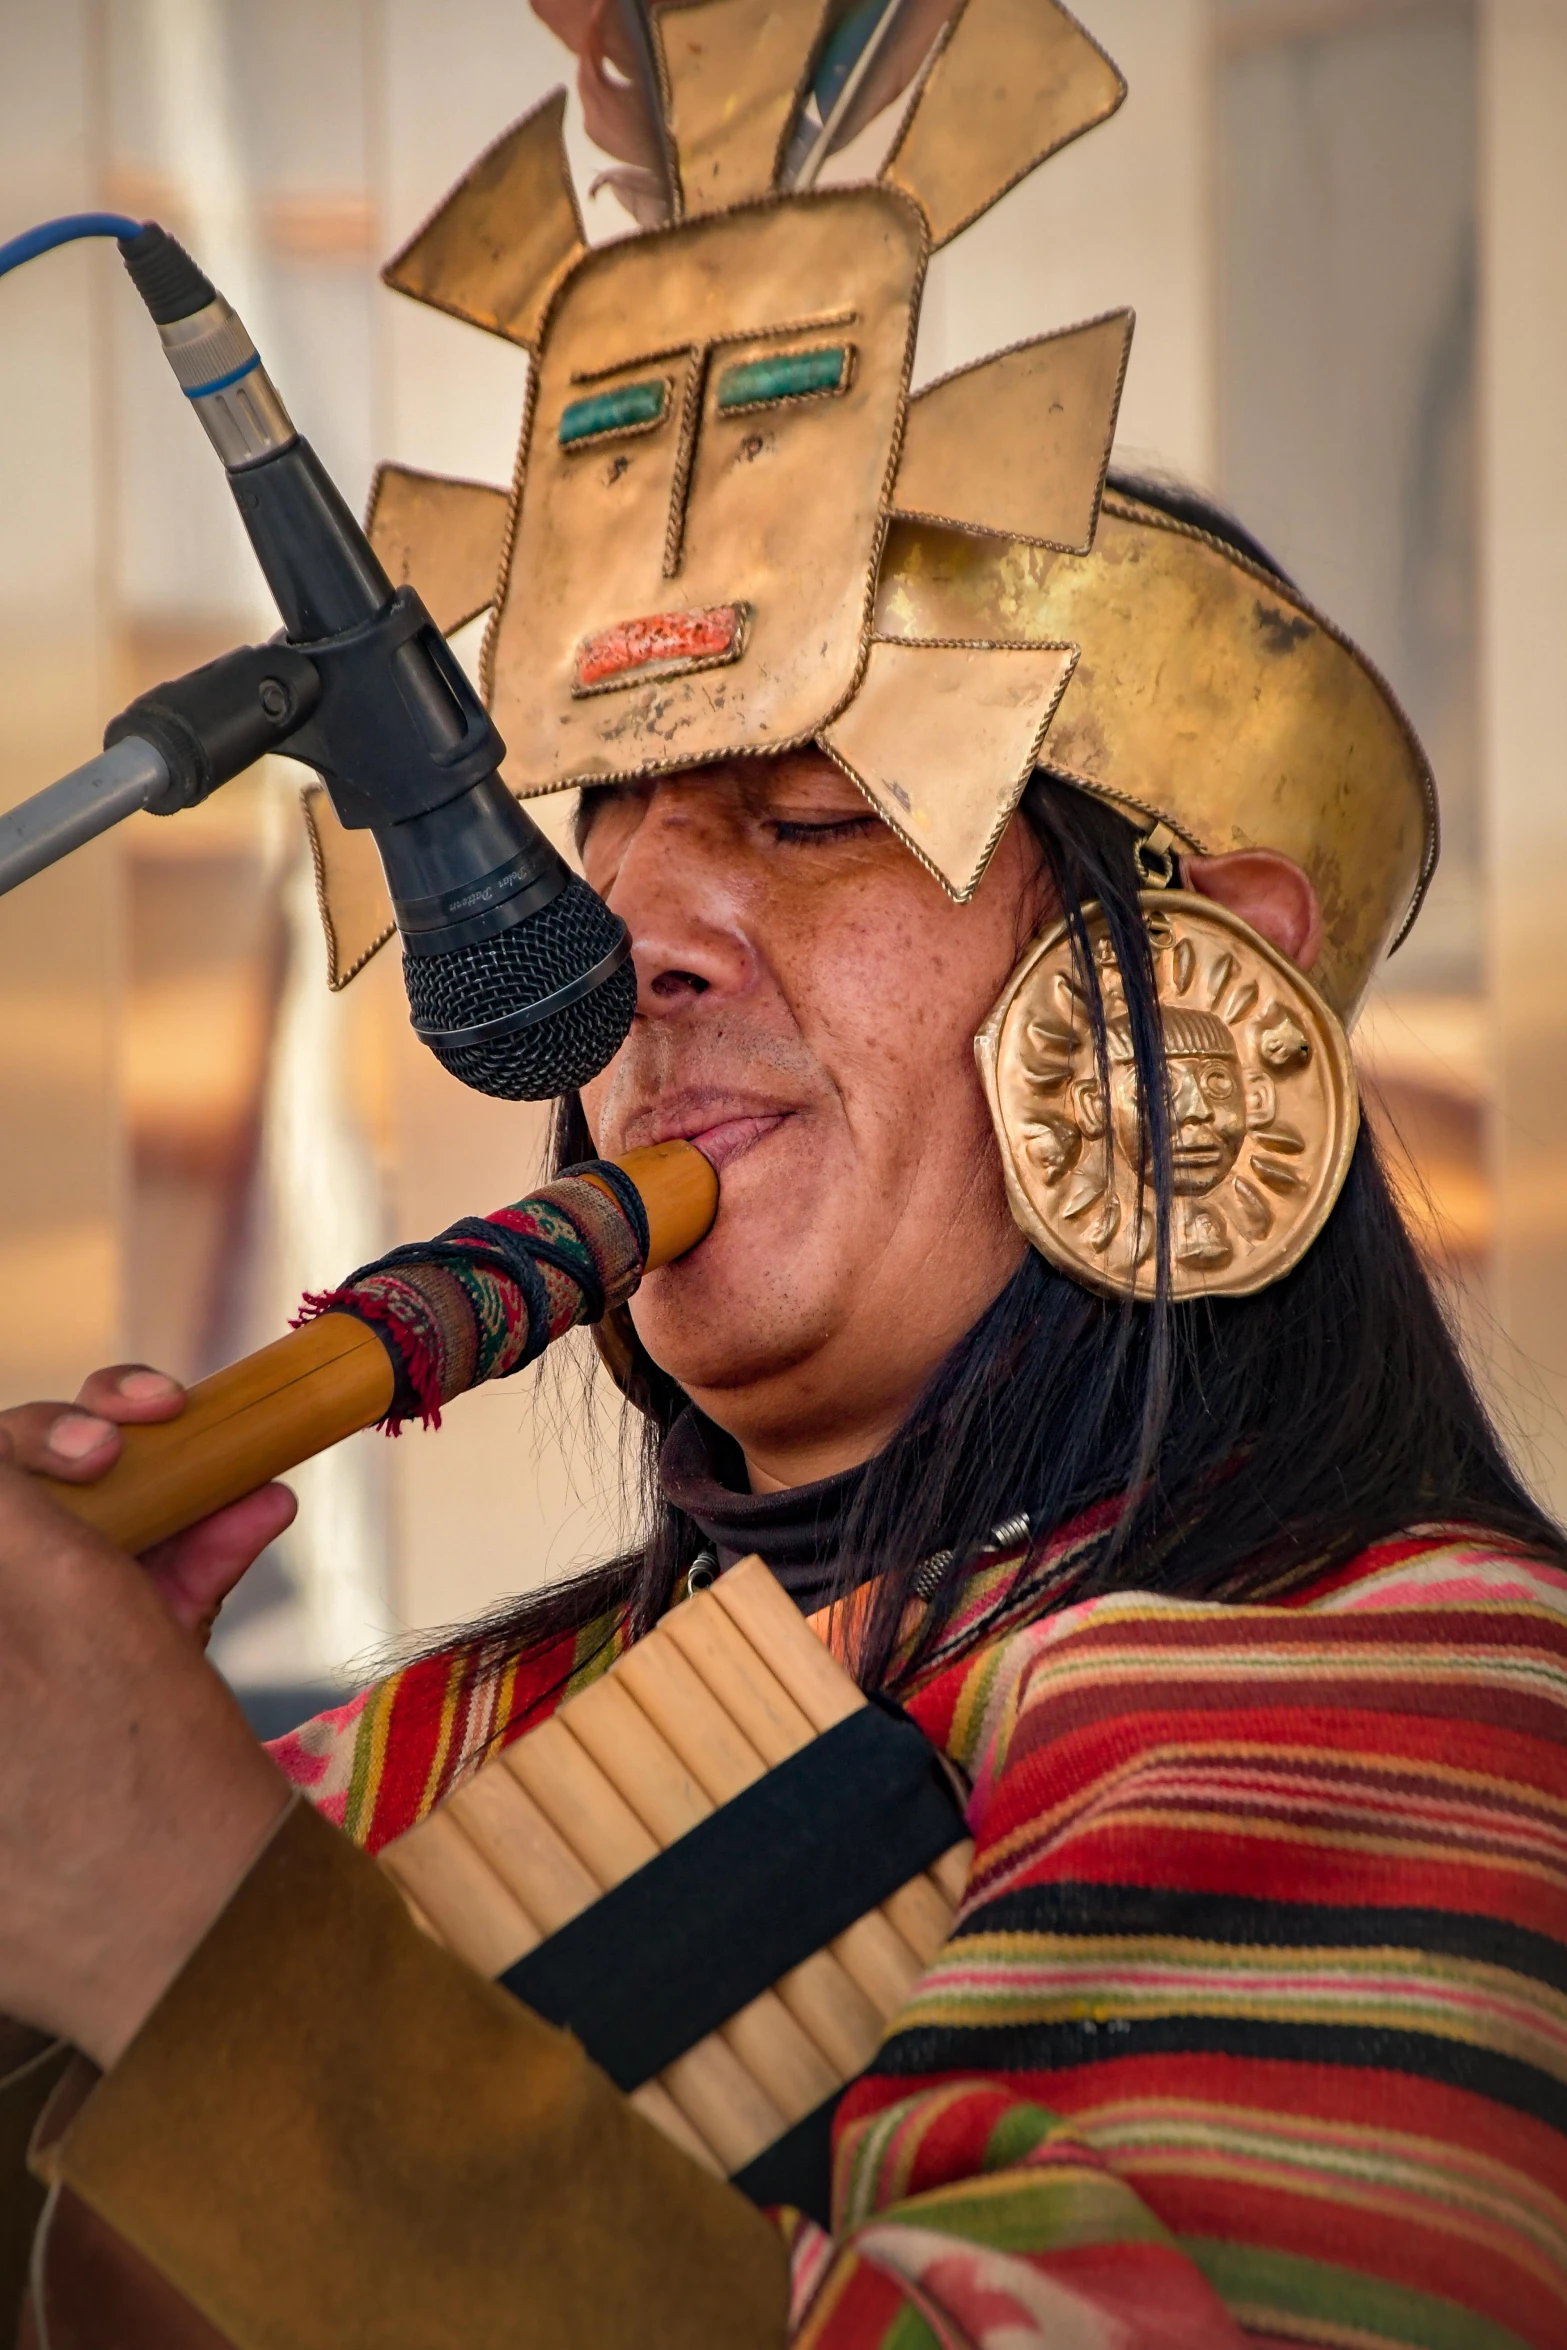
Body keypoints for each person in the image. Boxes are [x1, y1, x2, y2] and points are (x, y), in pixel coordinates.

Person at [3, 4, 1567, 2344]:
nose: (631, 941)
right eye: (596, 840)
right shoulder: (412, 1757)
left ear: (1203, 985)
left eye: (812, 819)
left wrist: (190, 1931)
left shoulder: (1420, 1684)